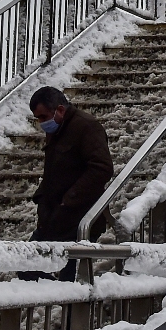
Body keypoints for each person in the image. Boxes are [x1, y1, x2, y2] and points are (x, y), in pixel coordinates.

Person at [25, 86, 115, 279]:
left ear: (60, 110)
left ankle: (60, 305)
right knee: (27, 266)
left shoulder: (86, 127)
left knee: (70, 278)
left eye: (43, 117)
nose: (41, 123)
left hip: (78, 219)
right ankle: (50, 301)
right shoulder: (57, 129)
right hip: (54, 217)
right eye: (38, 118)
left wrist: (69, 199)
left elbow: (102, 168)